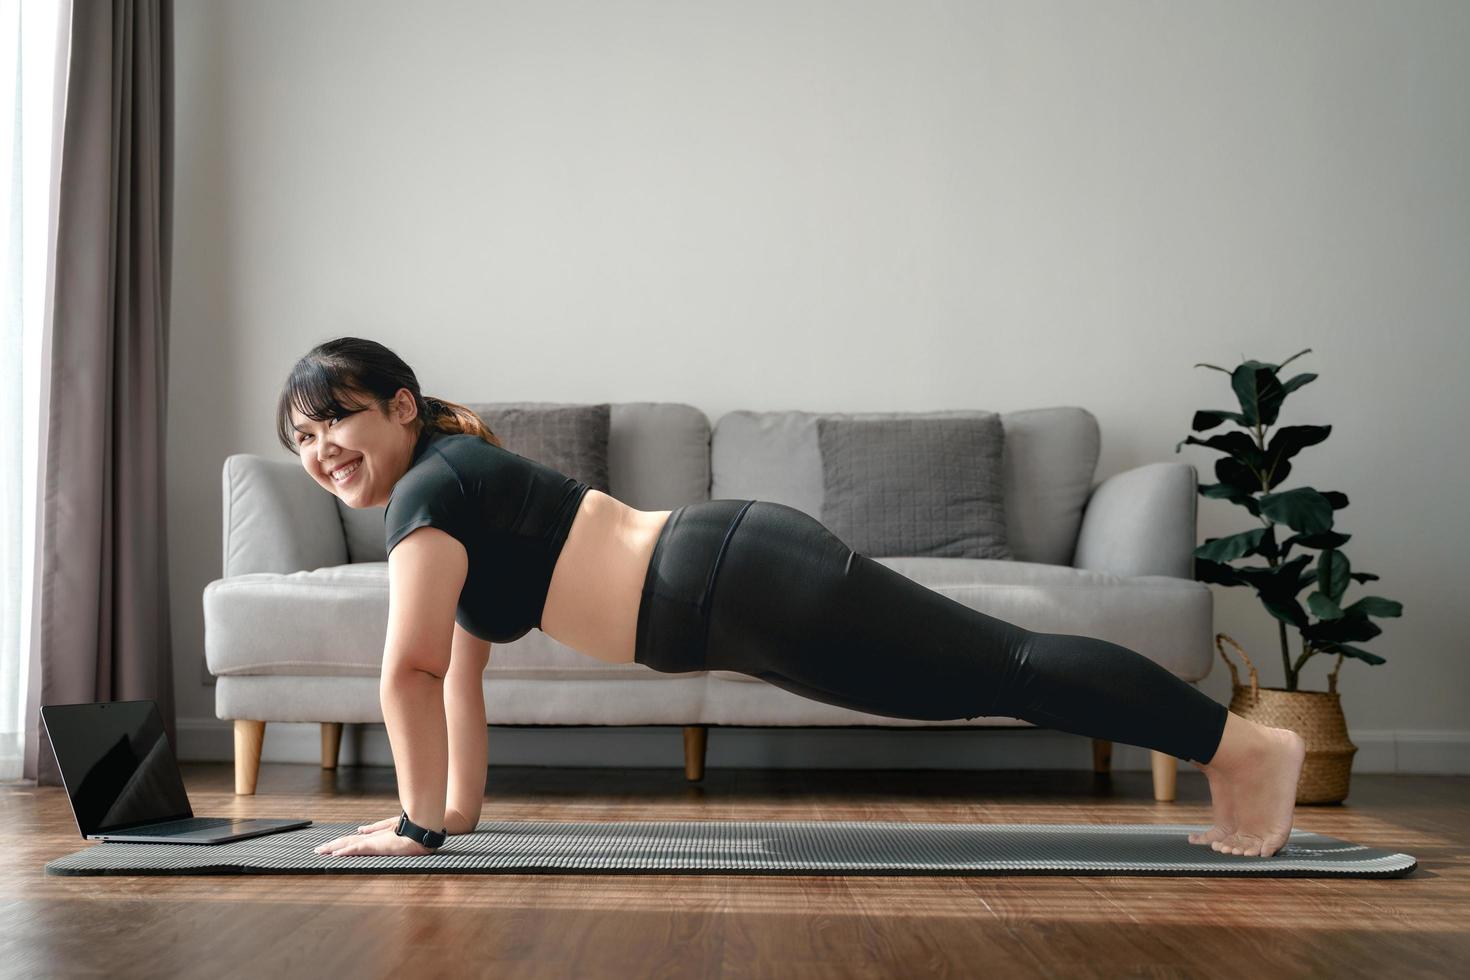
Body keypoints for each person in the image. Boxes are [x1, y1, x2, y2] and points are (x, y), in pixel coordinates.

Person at [277, 338, 1306, 861]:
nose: (324, 452)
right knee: (987, 676)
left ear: (401, 406)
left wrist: (411, 831)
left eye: (338, 421)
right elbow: (456, 670)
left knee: (1008, 666)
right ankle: (1230, 756)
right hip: (737, 592)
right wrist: (447, 813)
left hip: (738, 584)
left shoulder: (429, 489)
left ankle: (1247, 749)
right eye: (304, 440)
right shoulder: (444, 482)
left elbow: (403, 668)